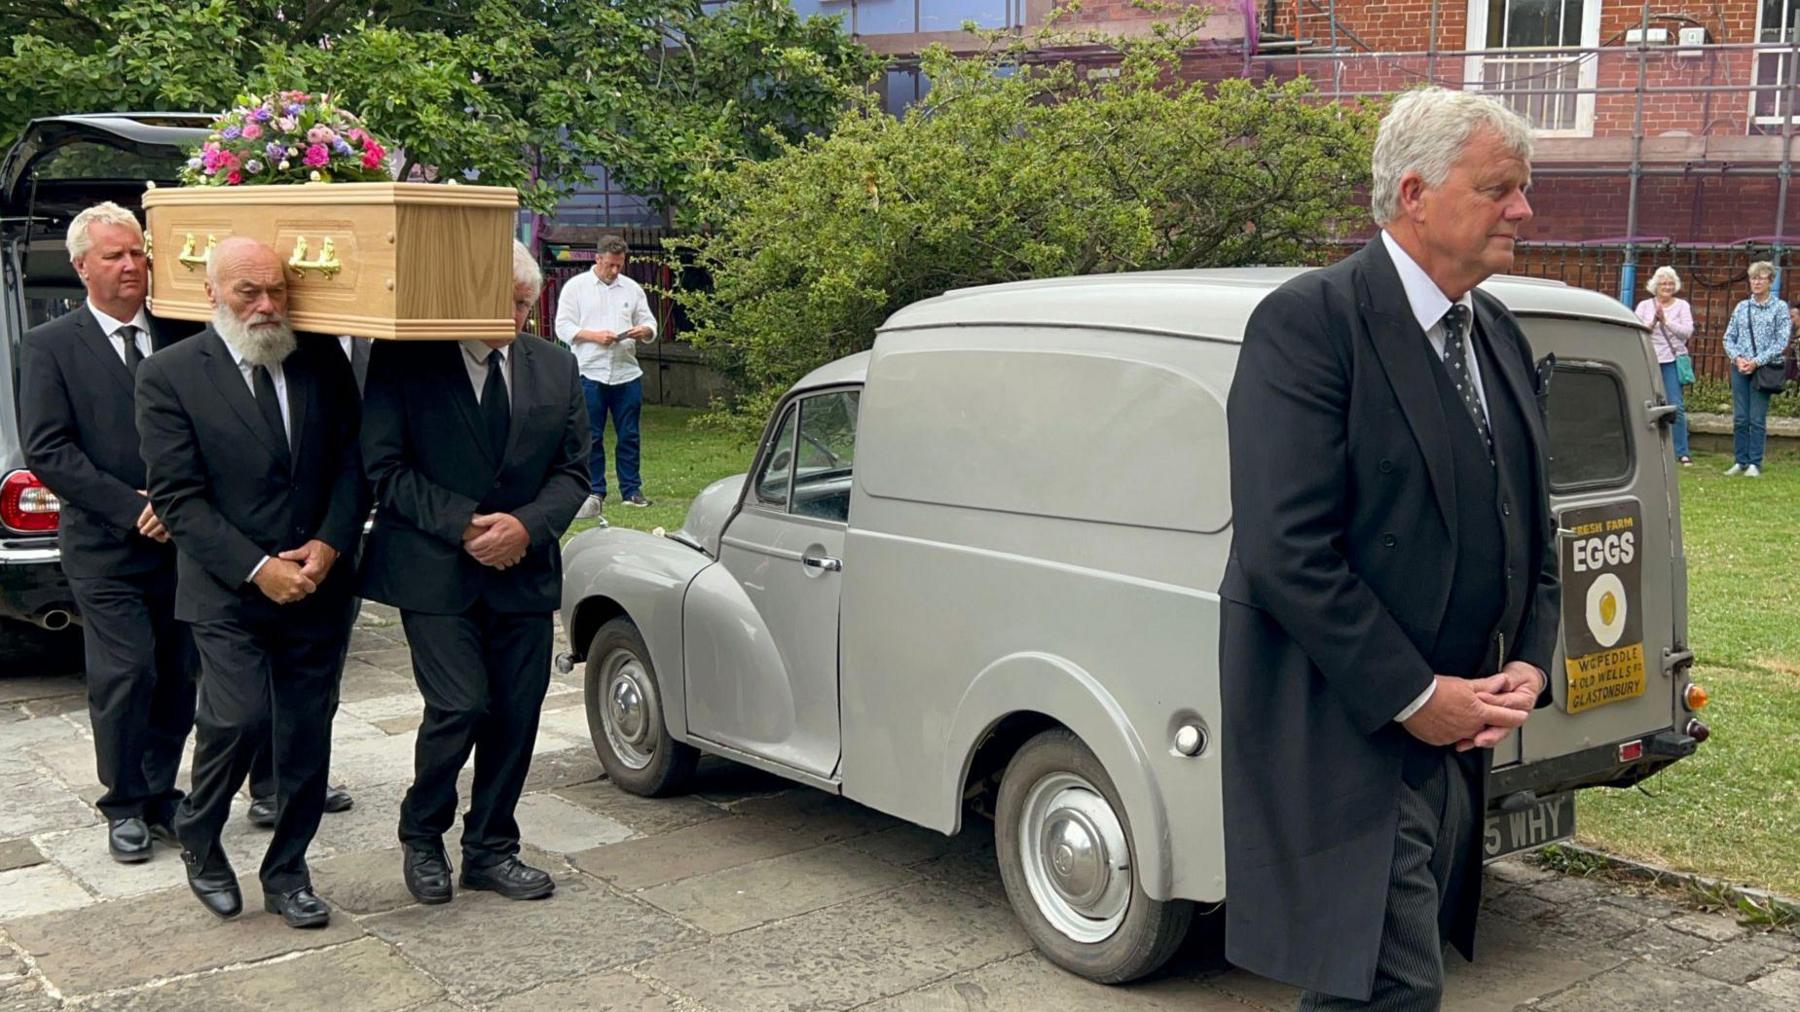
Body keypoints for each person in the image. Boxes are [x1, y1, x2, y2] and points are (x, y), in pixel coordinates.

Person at [1219, 88, 1559, 1009]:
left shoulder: (1497, 331)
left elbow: (1533, 526)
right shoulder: (1311, 325)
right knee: (1392, 986)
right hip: (1349, 730)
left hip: (1460, 734)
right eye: (1501, 189)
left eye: (1522, 189)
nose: (1524, 210)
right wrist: (1415, 697)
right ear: (1415, 192)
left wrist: (1529, 658)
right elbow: (1284, 546)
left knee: (1379, 985)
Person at [136, 237, 366, 928]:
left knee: (304, 735)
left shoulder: (320, 357)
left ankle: (288, 871)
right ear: (213, 293)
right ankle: (201, 839)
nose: (267, 306)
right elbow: (178, 498)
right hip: (228, 588)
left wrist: (327, 546)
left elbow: (354, 464)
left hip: (318, 583)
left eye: (277, 291)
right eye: (249, 292)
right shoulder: (169, 375)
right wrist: (260, 569)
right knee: (235, 718)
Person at [360, 241, 589, 904]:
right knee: (460, 705)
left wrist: (526, 527)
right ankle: (422, 832)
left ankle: (491, 847)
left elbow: (574, 471)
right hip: (435, 571)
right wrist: (464, 524)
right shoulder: (406, 361)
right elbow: (385, 469)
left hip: (523, 569)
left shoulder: (555, 366)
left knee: (516, 716)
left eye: (527, 303)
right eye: (508, 303)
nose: (520, 316)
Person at [18, 202, 199, 864]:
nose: (131, 266)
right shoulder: (49, 347)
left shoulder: (182, 331)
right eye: (114, 256)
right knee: (127, 672)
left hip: (185, 543)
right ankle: (122, 802)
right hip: (105, 546)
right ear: (81, 268)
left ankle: (160, 793)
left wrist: (183, 505)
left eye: (137, 253)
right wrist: (131, 507)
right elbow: (49, 450)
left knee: (181, 673)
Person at [242, 333, 369, 828]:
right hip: (276, 534)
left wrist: (335, 536)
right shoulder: (291, 338)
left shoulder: (376, 336)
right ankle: (271, 782)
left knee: (325, 670)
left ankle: (305, 774)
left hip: (341, 526)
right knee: (264, 680)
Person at [553, 234, 657, 519]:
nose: (615, 270)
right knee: (591, 435)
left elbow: (650, 322)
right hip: (590, 371)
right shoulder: (576, 288)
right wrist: (595, 336)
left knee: (629, 434)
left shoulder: (632, 289)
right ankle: (594, 489)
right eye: (610, 264)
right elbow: (562, 326)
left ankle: (631, 490)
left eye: (619, 265)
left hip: (626, 371)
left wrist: (644, 331)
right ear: (597, 259)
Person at [1721, 261, 1790, 477]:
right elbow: (1728, 337)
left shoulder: (1780, 308)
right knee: (1740, 417)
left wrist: (1757, 361)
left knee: (1756, 418)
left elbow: (1781, 341)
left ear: (1770, 281)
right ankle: (1740, 461)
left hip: (1763, 369)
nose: (1757, 282)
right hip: (1740, 368)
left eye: (1761, 278)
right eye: (1753, 278)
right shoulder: (1742, 307)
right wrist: (1737, 358)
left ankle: (1754, 463)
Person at [1635, 267, 1694, 466]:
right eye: (1663, 284)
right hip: (1648, 359)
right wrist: (1653, 322)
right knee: (1646, 404)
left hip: (1671, 360)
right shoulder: (1644, 305)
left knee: (1675, 405)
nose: (1667, 287)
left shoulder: (1682, 306)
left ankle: (1681, 451)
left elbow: (1687, 332)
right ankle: (1648, 449)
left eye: (1670, 283)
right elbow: (1637, 330)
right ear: (1655, 286)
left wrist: (1666, 322)